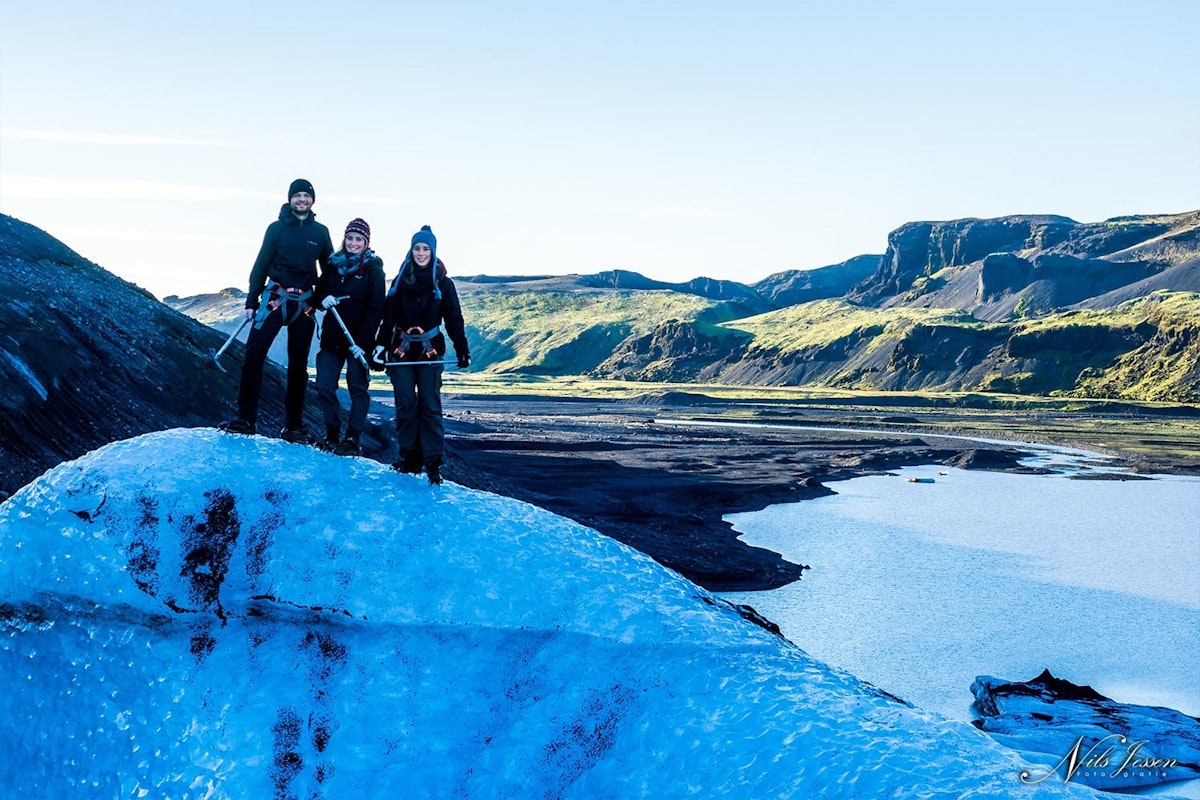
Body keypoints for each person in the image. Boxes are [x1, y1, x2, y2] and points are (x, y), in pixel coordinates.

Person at [222, 178, 333, 441]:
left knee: (298, 368)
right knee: (253, 357)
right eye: (298, 195)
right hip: (275, 298)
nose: (302, 199)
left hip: (304, 304)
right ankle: (246, 419)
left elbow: (328, 270)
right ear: (290, 199)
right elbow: (260, 265)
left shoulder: (320, 232)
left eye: (307, 195)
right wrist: (251, 302)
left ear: (312, 200)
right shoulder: (275, 229)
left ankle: (294, 427)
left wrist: (321, 297)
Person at [373, 225, 469, 485]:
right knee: (405, 402)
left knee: (429, 403)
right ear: (411, 250)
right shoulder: (400, 281)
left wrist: (462, 347)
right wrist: (381, 347)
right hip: (401, 349)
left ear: (433, 251)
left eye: (426, 248)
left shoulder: (444, 285)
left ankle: (433, 463)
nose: (421, 253)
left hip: (431, 349)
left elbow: (453, 318)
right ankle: (409, 458)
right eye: (417, 248)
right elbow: (389, 318)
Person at [313, 218, 385, 456]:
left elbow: (376, 309)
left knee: (358, 388)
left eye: (359, 240)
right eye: (350, 238)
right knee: (324, 386)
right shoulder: (333, 266)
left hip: (358, 343)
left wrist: (363, 345)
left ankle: (352, 438)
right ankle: (332, 434)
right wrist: (322, 299)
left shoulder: (374, 270)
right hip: (332, 338)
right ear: (344, 239)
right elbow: (319, 292)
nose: (354, 243)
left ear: (367, 243)